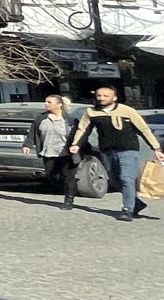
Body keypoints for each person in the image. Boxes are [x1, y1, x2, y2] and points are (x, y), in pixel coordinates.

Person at [69, 84, 160, 221]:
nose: (101, 98)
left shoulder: (127, 111)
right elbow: (83, 130)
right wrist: (76, 144)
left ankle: (127, 210)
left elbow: (144, 129)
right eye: (99, 95)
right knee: (115, 180)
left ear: (115, 97)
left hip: (128, 150)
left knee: (126, 178)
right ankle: (137, 203)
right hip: (107, 151)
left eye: (105, 96)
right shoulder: (91, 112)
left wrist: (156, 148)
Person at [24, 93, 76, 208]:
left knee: (68, 176)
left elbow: (79, 136)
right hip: (48, 152)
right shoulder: (41, 118)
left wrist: (82, 149)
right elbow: (33, 132)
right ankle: (66, 188)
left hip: (66, 154)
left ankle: (69, 200)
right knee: (52, 176)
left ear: (59, 105)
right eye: (45, 101)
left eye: (49, 102)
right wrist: (27, 145)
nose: (46, 104)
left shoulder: (70, 120)